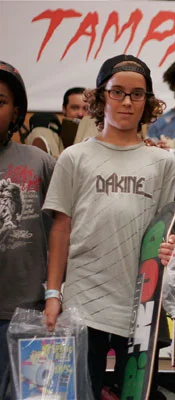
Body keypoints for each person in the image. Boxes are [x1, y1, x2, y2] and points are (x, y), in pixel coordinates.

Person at [42, 54, 175, 400]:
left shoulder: (162, 162)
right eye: (117, 92)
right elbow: (60, 230)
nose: (127, 102)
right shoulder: (75, 158)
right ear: (101, 96)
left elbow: (164, 229)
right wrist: (53, 295)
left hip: (140, 305)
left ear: (147, 102)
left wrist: (169, 245)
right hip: (82, 302)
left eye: (137, 94)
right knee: (79, 393)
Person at [0, 61, 55, 399]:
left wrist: (54, 297)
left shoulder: (39, 163)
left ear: (16, 110)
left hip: (28, 316)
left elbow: (65, 233)